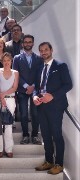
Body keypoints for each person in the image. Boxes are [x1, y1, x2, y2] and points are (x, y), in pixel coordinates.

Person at [33, 42, 72, 175]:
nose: (43, 52)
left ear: (51, 50)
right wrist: (34, 97)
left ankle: (59, 164)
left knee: (56, 135)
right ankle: (48, 161)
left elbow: (68, 85)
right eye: (41, 51)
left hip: (56, 106)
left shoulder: (60, 66)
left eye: (46, 50)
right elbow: (36, 87)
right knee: (45, 135)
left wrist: (53, 96)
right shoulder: (39, 67)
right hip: (41, 106)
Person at [12, 34, 42, 145]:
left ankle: (35, 135)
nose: (28, 44)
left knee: (35, 114)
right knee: (23, 114)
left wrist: (33, 86)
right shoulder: (17, 58)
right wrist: (25, 86)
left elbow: (40, 74)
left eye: (30, 42)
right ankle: (25, 135)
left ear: (33, 43)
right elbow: (15, 74)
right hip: (22, 90)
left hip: (35, 90)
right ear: (22, 43)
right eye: (26, 42)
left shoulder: (39, 58)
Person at [0, 52, 18, 158]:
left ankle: (8, 149)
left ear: (11, 61)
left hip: (10, 100)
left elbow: (14, 87)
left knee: (8, 125)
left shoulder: (15, 73)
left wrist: (4, 95)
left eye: (8, 60)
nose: (6, 62)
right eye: (4, 60)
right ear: (2, 61)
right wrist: (1, 97)